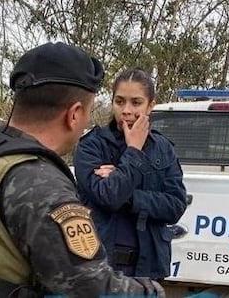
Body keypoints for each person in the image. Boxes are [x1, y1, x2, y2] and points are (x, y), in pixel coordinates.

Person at [0, 42, 165, 297]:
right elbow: (93, 287)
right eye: (86, 112)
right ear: (74, 114)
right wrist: (152, 292)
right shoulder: (39, 182)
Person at [74, 68, 187, 279]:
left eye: (136, 103)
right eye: (119, 101)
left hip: (148, 268)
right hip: (102, 269)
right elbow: (108, 197)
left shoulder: (163, 147)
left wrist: (129, 195)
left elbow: (175, 206)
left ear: (150, 106)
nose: (126, 110)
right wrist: (133, 151)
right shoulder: (91, 146)